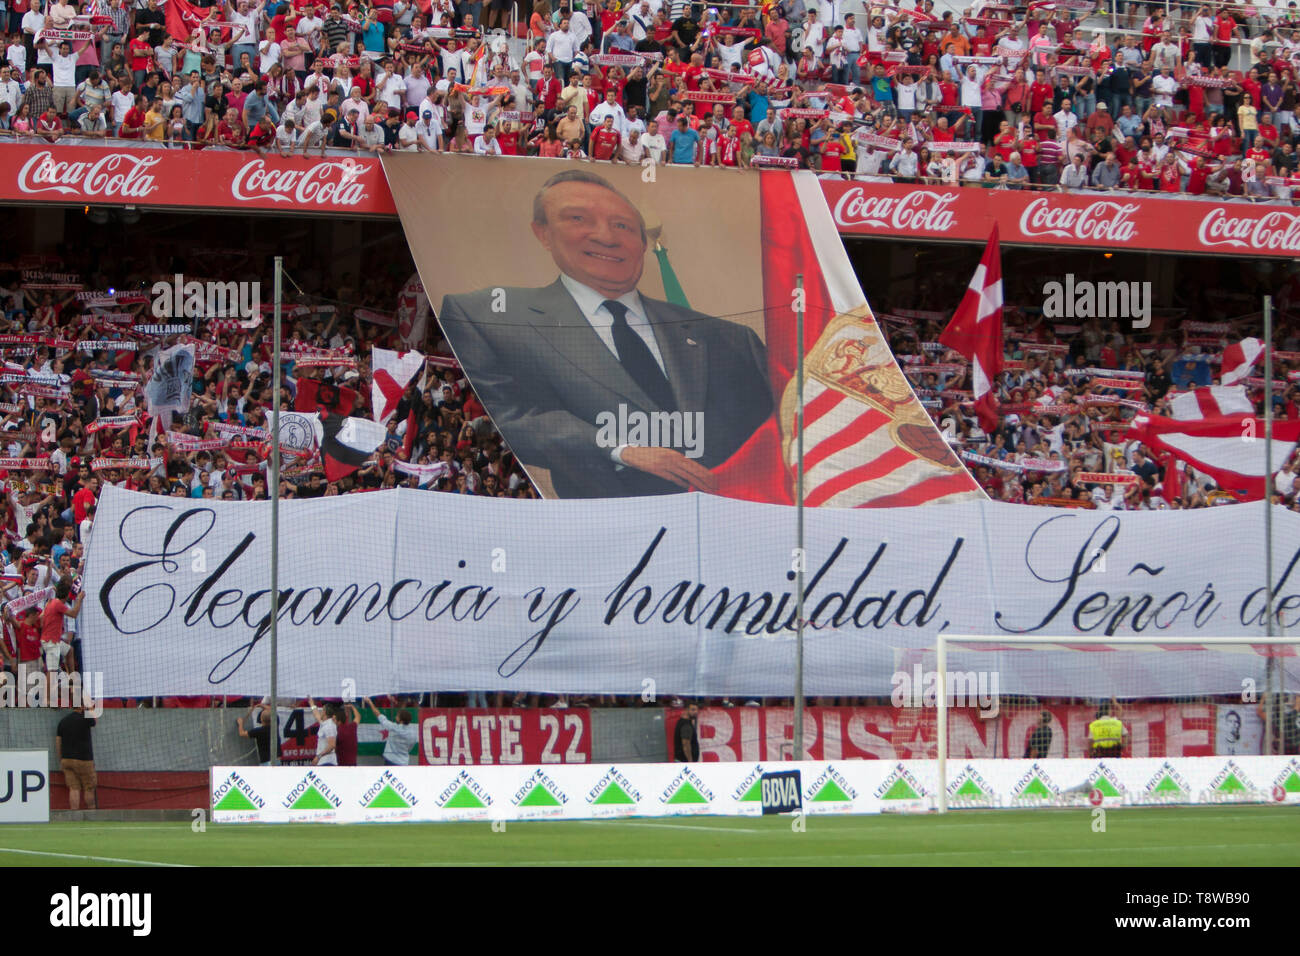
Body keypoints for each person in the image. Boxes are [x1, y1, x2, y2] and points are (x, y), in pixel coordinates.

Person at [437, 169, 773, 498]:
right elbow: (513, 418)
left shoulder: (729, 339)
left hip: (727, 523)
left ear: (643, 243)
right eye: (578, 219)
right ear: (542, 233)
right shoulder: (489, 319)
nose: (607, 237)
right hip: (605, 528)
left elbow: (784, 430)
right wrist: (623, 450)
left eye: (623, 225)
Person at [56, 698, 97, 810]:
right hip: (84, 760)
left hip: (67, 760)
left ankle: (74, 815)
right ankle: (92, 812)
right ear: (82, 706)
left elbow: (58, 742)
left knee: (74, 788)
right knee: (89, 788)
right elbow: (94, 721)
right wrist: (90, 708)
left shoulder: (63, 721)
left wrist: (61, 759)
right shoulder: (86, 719)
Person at [364, 696, 419, 766]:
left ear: (401, 720)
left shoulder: (393, 727)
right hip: (403, 762)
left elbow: (378, 714)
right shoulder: (413, 733)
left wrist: (369, 702)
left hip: (391, 761)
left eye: (397, 716)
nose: (395, 717)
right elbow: (410, 747)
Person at [236, 700, 277, 766]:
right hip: (276, 760)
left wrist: (240, 723)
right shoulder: (275, 726)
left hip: (266, 761)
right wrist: (261, 705)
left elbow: (242, 733)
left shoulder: (258, 731)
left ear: (261, 719)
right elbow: (271, 710)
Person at [308, 697, 338, 766]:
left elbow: (332, 745)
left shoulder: (329, 726)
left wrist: (318, 756)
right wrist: (312, 704)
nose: (320, 712)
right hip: (323, 761)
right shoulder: (325, 723)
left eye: (322, 711)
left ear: (324, 712)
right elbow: (317, 715)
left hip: (328, 762)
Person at [336, 701, 360, 766]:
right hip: (353, 765)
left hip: (341, 765)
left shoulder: (337, 731)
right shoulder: (352, 727)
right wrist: (352, 707)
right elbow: (358, 716)